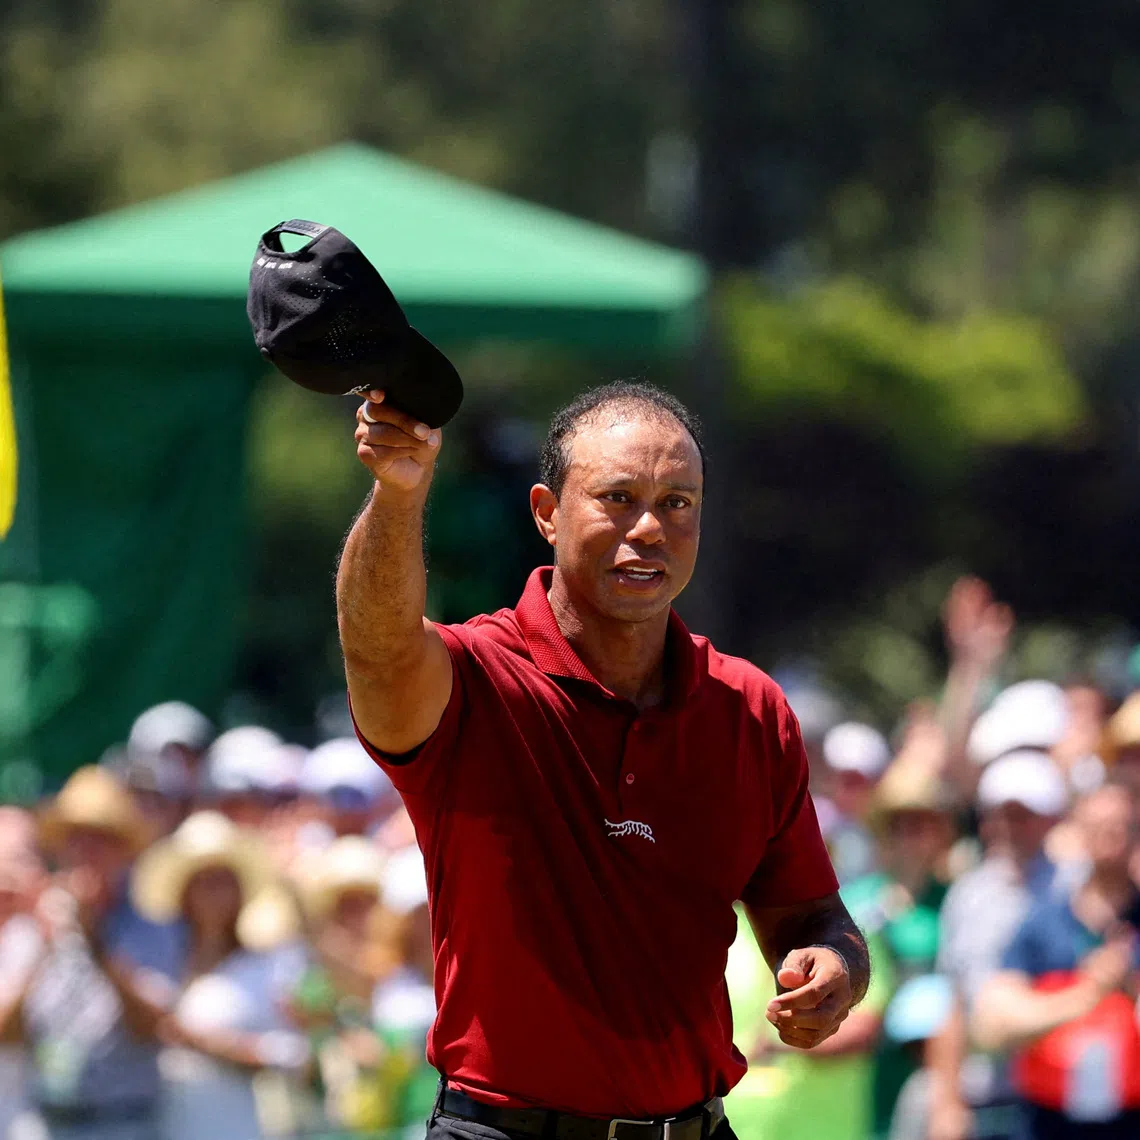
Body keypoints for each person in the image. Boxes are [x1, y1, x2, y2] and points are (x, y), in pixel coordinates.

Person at [337, 379, 869, 1139]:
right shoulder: (477, 680)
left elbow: (812, 915)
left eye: (678, 503)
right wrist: (397, 498)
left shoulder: (750, 711)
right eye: (618, 498)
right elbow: (378, 649)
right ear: (546, 514)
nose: (650, 527)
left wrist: (833, 968)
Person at [18, 767, 183, 1140]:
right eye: (76, 837)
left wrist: (99, 944)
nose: (87, 850)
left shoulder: (153, 922)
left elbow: (153, 1027)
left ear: (124, 849)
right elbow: (8, 1034)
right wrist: (41, 951)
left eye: (101, 838)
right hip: (49, 1122)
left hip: (124, 1125)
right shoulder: (39, 918)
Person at [973, 783, 1140, 1139]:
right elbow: (991, 1025)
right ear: (1080, 833)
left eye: (1121, 827)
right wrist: (1086, 995)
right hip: (1047, 1122)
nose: (1111, 840)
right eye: (1100, 828)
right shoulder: (1043, 924)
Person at [131, 811, 308, 1140]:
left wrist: (208, 1044)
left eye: (223, 880)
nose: (214, 892)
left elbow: (297, 1054)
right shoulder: (165, 967)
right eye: (203, 881)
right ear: (184, 893)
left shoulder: (272, 966)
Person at [925, 751, 1069, 1140]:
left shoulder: (1074, 887)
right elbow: (951, 1001)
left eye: (1020, 815)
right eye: (997, 814)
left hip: (1057, 1096)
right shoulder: (968, 895)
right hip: (983, 1095)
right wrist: (947, 1102)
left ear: (1050, 818)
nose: (1006, 826)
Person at [843, 763, 957, 1138]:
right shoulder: (854, 902)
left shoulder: (956, 902)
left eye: (921, 825)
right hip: (866, 1064)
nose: (910, 836)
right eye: (899, 825)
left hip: (933, 1064)